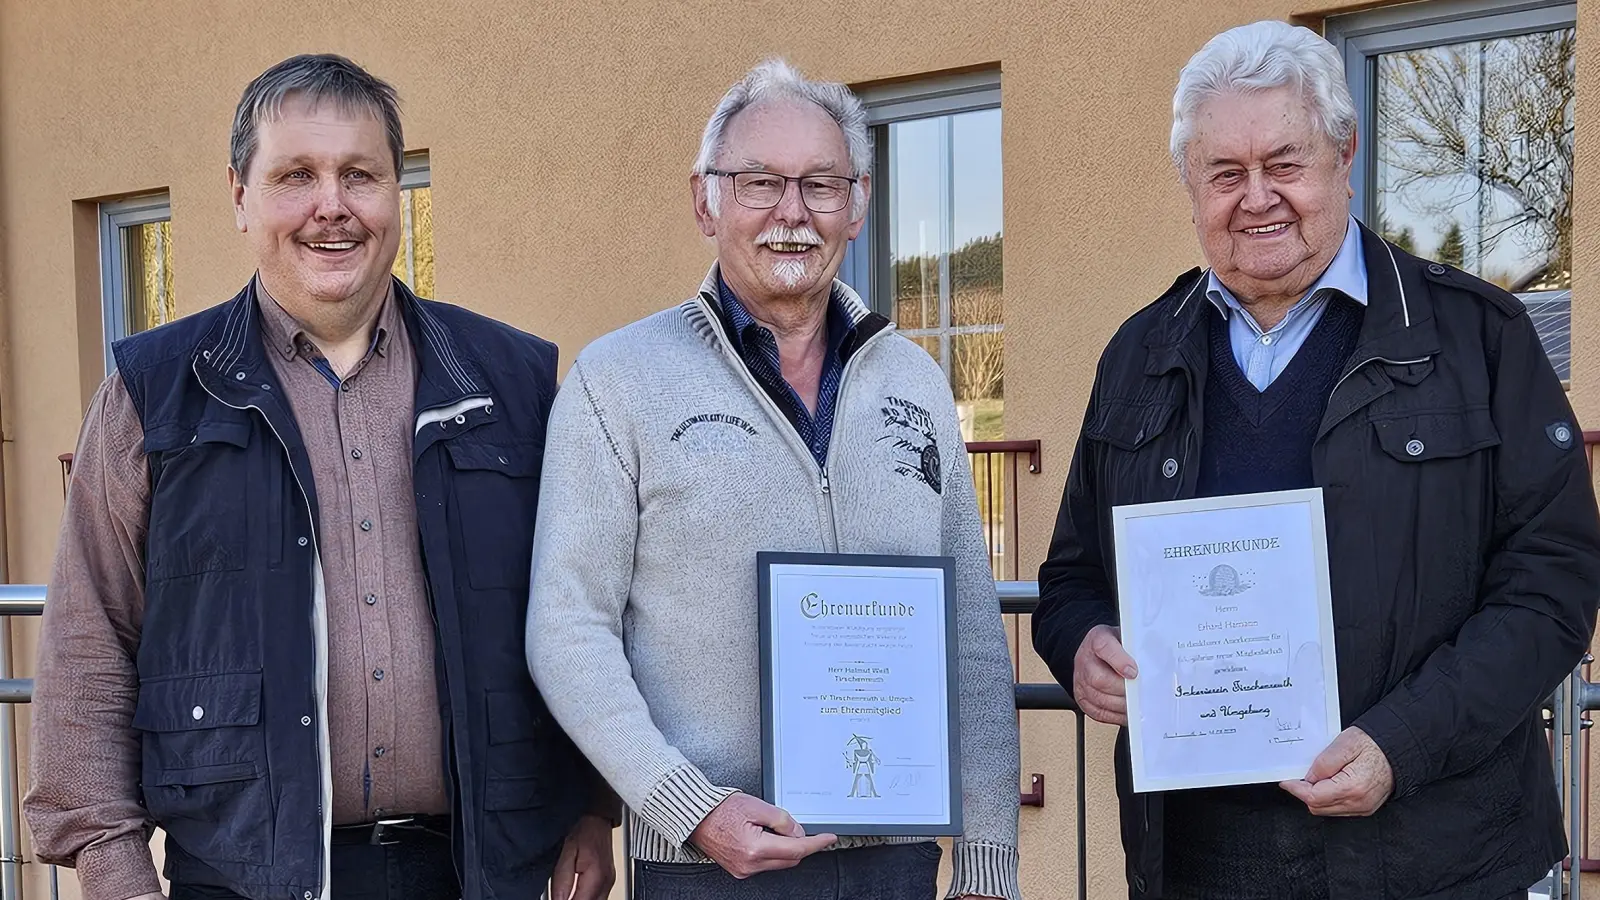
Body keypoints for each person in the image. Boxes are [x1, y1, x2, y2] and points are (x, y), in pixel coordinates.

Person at [23, 54, 615, 900]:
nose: (330, 206)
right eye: (296, 175)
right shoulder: (153, 395)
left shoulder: (512, 383)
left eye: (359, 176)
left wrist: (589, 807)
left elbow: (580, 606)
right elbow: (90, 643)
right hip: (241, 879)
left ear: (396, 193)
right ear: (239, 195)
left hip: (486, 871)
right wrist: (113, 867)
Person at [1032, 20, 1600, 900]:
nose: (1257, 197)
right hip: (1198, 862)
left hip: (1435, 858)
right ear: (1190, 185)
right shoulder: (1139, 352)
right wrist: (1081, 644)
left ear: (1346, 154)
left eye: (1283, 164)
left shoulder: (1479, 337)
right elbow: (1071, 575)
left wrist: (1400, 745)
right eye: (1225, 174)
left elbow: (1552, 585)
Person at [526, 58, 1021, 900]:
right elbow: (569, 629)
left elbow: (971, 635)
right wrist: (686, 807)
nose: (793, 212)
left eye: (821, 184)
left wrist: (986, 862)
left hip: (895, 861)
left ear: (858, 204)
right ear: (704, 200)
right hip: (702, 863)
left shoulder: (916, 382)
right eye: (759, 182)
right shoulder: (617, 382)